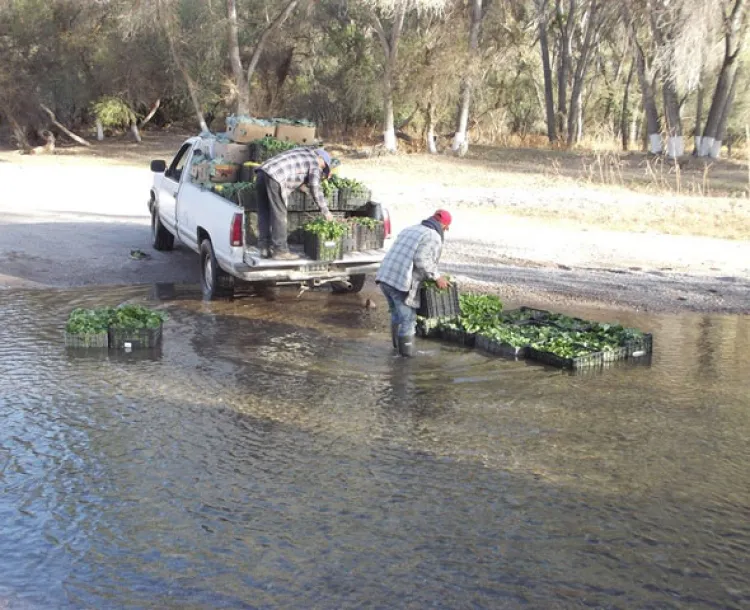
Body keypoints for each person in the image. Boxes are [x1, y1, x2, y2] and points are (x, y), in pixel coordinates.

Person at [375, 209, 452, 357]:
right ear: (444, 226)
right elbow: (422, 260)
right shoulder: (433, 236)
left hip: (385, 277)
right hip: (399, 282)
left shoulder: (411, 229)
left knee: (397, 315)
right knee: (409, 319)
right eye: (446, 228)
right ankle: (405, 359)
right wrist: (437, 277)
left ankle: (396, 350)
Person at [255, 147, 334, 260]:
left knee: (264, 212)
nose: (322, 169)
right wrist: (326, 212)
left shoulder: (303, 151)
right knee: (279, 215)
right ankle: (280, 251)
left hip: (262, 172)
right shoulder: (315, 162)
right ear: (320, 158)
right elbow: (315, 187)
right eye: (324, 166)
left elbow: (294, 170)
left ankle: (264, 248)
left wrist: (302, 186)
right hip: (275, 177)